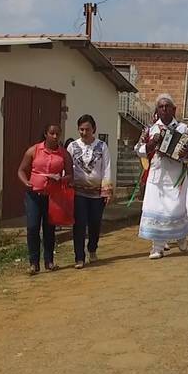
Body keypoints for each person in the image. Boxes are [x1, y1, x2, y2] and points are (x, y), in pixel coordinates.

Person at [136, 94, 188, 259]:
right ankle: (157, 247)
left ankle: (181, 235)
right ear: (157, 110)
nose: (164, 109)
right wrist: (151, 144)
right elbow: (138, 149)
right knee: (155, 208)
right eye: (161, 107)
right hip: (157, 175)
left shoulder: (183, 128)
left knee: (176, 208)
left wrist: (185, 153)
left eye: (167, 106)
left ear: (174, 109)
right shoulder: (150, 129)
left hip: (176, 176)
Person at [17, 123, 73, 275]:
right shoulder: (33, 150)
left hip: (53, 196)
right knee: (33, 227)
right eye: (52, 133)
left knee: (50, 229)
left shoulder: (64, 154)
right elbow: (21, 170)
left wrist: (61, 179)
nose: (55, 137)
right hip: (34, 194)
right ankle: (33, 263)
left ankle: (49, 261)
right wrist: (26, 182)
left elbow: (70, 175)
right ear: (45, 134)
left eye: (57, 134)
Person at [66, 115, 112, 269]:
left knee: (94, 223)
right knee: (79, 224)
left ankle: (92, 248)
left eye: (87, 129)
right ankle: (79, 257)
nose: (84, 132)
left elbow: (106, 168)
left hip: (97, 193)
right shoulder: (72, 146)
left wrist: (107, 191)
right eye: (81, 129)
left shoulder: (102, 146)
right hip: (78, 193)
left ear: (94, 130)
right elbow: (66, 167)